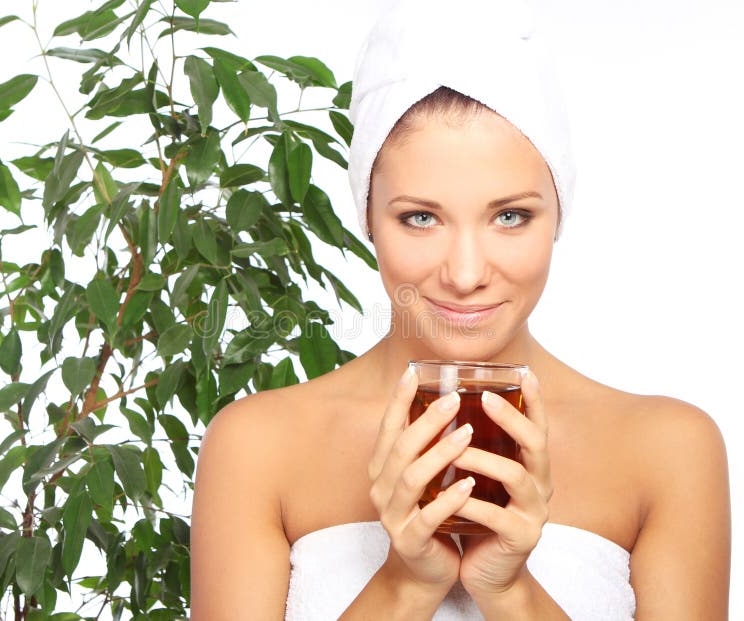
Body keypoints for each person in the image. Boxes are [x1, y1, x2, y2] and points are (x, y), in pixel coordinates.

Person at [190, 1, 731, 619]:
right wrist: (404, 584)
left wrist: (509, 590)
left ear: (560, 212)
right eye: (421, 217)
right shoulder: (258, 448)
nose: (467, 274)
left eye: (510, 216)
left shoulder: (667, 451)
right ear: (367, 216)